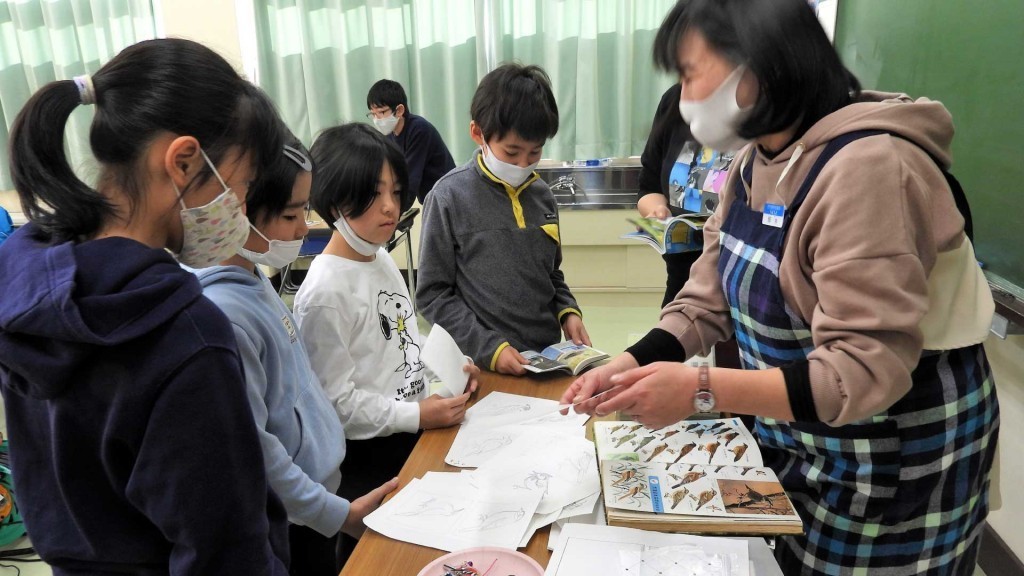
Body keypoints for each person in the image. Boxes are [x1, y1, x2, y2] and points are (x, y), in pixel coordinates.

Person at [562, 1, 999, 574]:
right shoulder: (750, 165)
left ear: (758, 65)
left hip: (893, 462)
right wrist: (631, 360)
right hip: (803, 439)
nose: (685, 96)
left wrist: (699, 389)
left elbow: (860, 373)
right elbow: (706, 297)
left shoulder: (869, 168)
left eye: (692, 73)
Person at [0, 38, 291, 573]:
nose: (240, 207)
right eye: (242, 184)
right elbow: (224, 553)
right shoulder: (185, 335)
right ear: (182, 161)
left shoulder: (26, 290)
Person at [190, 136, 400, 576]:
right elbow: (259, 451)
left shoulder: (253, 276)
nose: (304, 228)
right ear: (235, 209)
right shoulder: (226, 314)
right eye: (290, 215)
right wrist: (331, 512)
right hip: (297, 515)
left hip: (322, 498)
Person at [292, 122, 478, 559]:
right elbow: (338, 406)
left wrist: (451, 367)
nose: (391, 207)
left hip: (409, 435)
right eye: (375, 194)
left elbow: (403, 340)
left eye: (395, 192)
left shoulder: (378, 258)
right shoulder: (324, 293)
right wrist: (416, 415)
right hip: (367, 458)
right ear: (337, 199)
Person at [416, 63, 591, 375]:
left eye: (534, 153)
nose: (523, 163)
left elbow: (551, 274)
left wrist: (568, 311)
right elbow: (433, 295)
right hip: (483, 364)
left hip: (547, 360)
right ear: (477, 134)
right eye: (511, 152)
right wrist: (490, 349)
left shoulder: (542, 196)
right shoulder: (448, 197)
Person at [639, 83, 735, 307]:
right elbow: (649, 185)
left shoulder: (758, 109)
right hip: (682, 283)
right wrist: (656, 211)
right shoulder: (674, 101)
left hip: (737, 288)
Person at [367, 79, 456, 204]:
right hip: (430, 198)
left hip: (448, 196)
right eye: (373, 114)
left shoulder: (419, 129)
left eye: (381, 112)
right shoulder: (388, 134)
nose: (377, 119)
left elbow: (410, 179)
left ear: (399, 110)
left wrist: (396, 209)